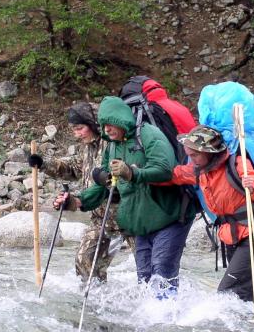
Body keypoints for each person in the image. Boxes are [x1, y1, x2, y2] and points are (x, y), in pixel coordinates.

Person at [57, 96, 194, 297]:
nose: (107, 130)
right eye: (103, 126)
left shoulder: (148, 135)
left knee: (161, 272)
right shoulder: (112, 146)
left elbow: (165, 169)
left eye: (110, 124)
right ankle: (151, 320)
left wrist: (131, 173)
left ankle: (169, 319)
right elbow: (104, 185)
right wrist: (77, 201)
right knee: (145, 279)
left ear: (121, 118)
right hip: (139, 222)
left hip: (169, 217)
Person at [168, 125, 254, 304]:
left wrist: (253, 188)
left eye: (194, 155)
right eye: (189, 154)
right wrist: (138, 174)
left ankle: (231, 330)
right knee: (249, 293)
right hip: (231, 236)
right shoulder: (200, 170)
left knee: (227, 293)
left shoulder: (238, 165)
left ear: (209, 153)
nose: (191, 159)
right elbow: (174, 175)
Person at [27, 101, 130, 283]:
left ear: (94, 125)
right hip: (101, 218)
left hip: (129, 216)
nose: (76, 134)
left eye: (80, 128)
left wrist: (78, 201)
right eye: (74, 129)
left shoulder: (113, 144)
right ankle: (96, 304)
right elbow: (75, 169)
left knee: (150, 268)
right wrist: (43, 164)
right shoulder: (89, 147)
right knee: (85, 262)